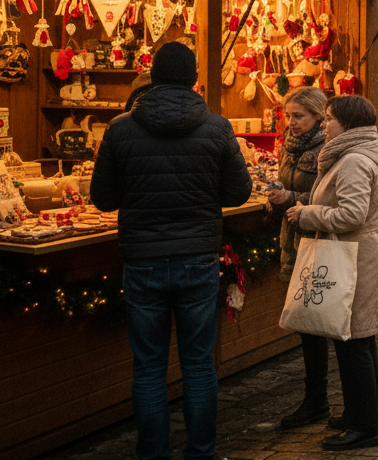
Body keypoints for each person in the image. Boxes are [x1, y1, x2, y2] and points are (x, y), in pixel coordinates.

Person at [90, 42, 251, 460]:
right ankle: (201, 452)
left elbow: (103, 199)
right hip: (197, 257)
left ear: (153, 77)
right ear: (193, 78)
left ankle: (153, 454)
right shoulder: (216, 127)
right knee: (198, 365)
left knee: (148, 368)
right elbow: (239, 192)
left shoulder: (120, 127)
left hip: (142, 259)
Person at [282, 96, 378, 451]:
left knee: (355, 342)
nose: (325, 125)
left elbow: (351, 215)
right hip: (356, 253)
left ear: (346, 124)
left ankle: (363, 426)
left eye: (329, 119)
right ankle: (361, 415)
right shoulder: (354, 155)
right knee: (359, 340)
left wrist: (306, 214)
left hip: (354, 255)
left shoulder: (355, 161)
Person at [270, 87, 336, 431]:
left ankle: (317, 400)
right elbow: (287, 183)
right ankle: (316, 399)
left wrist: (291, 196)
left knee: (315, 323)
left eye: (298, 116)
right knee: (306, 325)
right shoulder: (289, 144)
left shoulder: (326, 148)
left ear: (317, 117)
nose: (291, 122)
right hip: (293, 240)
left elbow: (327, 195)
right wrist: (276, 194)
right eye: (288, 115)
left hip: (317, 240)